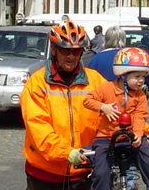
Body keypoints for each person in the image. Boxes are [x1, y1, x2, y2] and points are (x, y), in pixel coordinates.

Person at [20, 21, 105, 190]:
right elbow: (38, 126)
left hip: (84, 172)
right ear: (54, 50)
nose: (71, 56)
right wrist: (67, 152)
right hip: (45, 174)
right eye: (65, 51)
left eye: (76, 51)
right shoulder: (37, 83)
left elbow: (118, 108)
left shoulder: (95, 80)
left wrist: (143, 133)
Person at [84, 47, 149, 190]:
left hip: (131, 137)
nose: (141, 81)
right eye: (137, 77)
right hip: (106, 137)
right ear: (123, 75)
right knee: (100, 172)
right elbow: (87, 100)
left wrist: (138, 134)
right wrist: (103, 107)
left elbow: (140, 116)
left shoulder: (140, 95)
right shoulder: (106, 88)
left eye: (143, 77)